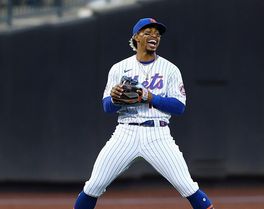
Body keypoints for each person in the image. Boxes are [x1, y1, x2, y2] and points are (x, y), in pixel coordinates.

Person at [73, 17, 215, 209]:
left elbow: (179, 107)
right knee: (94, 185)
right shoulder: (119, 68)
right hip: (125, 132)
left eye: (157, 34)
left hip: (158, 134)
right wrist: (115, 99)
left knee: (187, 186)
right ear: (136, 38)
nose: (154, 36)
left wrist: (151, 97)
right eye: (147, 32)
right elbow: (107, 107)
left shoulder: (170, 69)